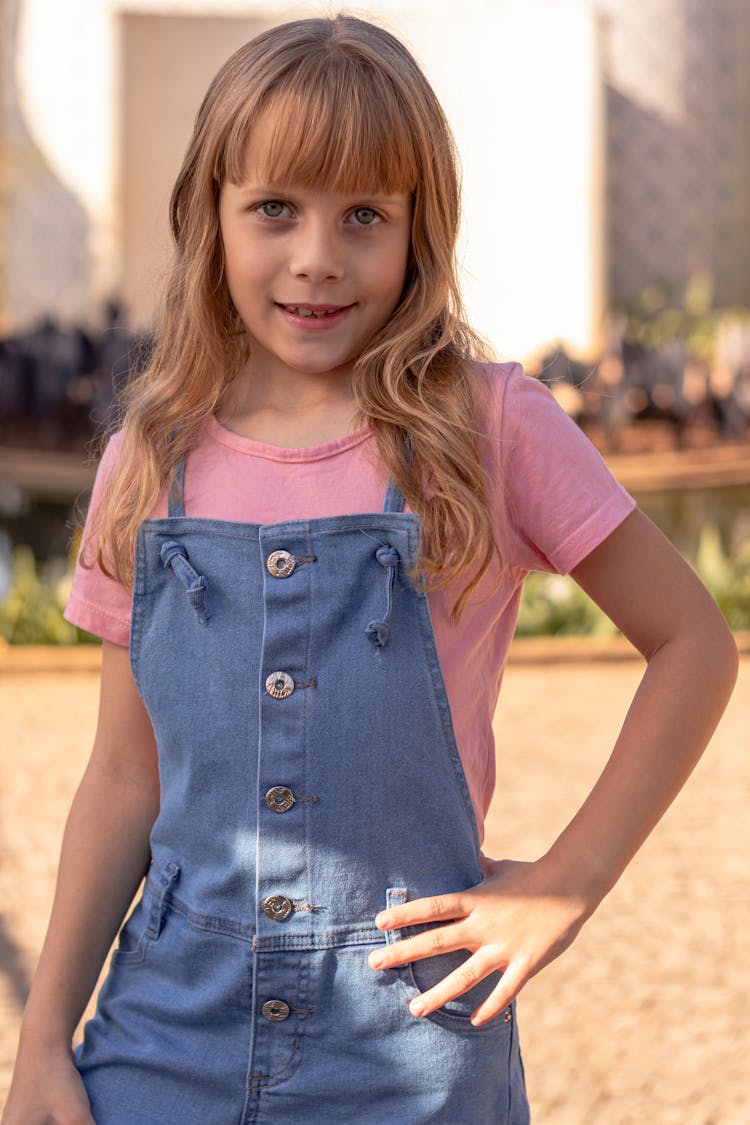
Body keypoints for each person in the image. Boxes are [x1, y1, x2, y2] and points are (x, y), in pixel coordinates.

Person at [3, 15, 737, 1125]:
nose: (316, 257)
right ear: (212, 217)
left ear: (417, 230)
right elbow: (121, 777)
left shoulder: (491, 427)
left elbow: (694, 643)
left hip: (413, 1045)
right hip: (163, 1033)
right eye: (274, 210)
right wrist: (43, 1040)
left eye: (364, 215)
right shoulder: (148, 460)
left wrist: (565, 883)